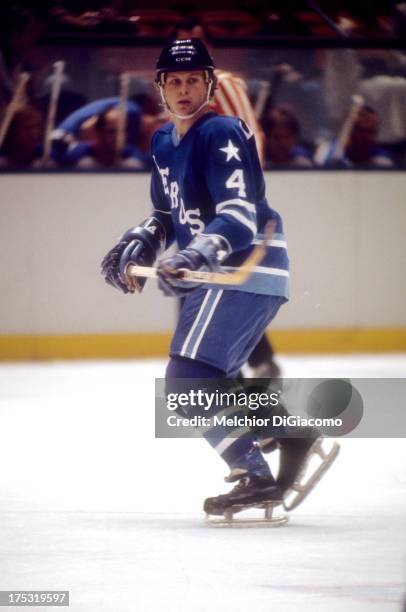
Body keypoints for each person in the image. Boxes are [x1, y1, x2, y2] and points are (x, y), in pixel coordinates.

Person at [101, 39, 333, 519]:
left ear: (208, 84)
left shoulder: (223, 131)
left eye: (193, 80)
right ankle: (290, 433)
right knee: (206, 383)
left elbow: (238, 213)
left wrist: (197, 250)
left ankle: (254, 475)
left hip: (244, 269)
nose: (183, 90)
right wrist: (141, 241)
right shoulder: (163, 142)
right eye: (173, 81)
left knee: (187, 384)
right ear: (160, 87)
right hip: (226, 274)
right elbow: (166, 213)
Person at [172, 18, 280, 378]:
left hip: (227, 209)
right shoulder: (177, 92)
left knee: (221, 291)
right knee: (199, 291)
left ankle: (255, 367)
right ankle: (241, 373)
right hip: (197, 213)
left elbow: (251, 138)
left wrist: (240, 198)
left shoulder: (227, 85)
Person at [315, 105, 394, 168]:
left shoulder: (382, 159)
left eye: (372, 132)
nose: (369, 137)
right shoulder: (326, 152)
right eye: (362, 131)